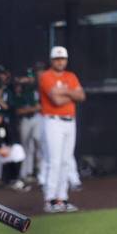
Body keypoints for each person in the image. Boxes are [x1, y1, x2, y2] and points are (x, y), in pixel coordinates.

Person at [39, 46, 85, 213]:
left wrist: (64, 91)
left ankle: (62, 199)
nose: (60, 61)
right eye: (57, 59)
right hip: (53, 121)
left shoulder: (70, 76)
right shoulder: (46, 76)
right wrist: (71, 92)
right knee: (54, 161)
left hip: (69, 121)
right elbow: (56, 100)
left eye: (63, 59)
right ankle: (50, 199)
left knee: (66, 161)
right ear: (52, 61)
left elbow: (81, 96)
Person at [7, 70, 41, 182]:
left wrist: (30, 109)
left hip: (36, 118)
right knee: (25, 146)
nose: (29, 80)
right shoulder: (18, 89)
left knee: (37, 142)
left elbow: (39, 107)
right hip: (24, 120)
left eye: (31, 77)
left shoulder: (34, 89)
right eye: (27, 77)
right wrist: (30, 109)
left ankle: (37, 172)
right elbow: (17, 110)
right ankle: (25, 172)